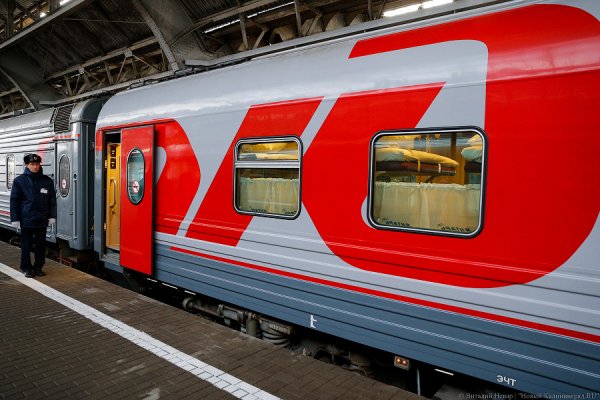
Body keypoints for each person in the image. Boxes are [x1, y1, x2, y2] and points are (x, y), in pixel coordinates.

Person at [10, 154, 57, 278]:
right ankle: (26, 268)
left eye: (37, 164)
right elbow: (14, 201)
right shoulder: (19, 181)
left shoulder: (47, 181)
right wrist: (15, 218)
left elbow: (52, 200)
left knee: (40, 246)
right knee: (26, 245)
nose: (35, 167)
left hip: (42, 219)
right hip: (26, 219)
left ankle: (38, 267)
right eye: (32, 164)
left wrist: (52, 216)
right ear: (26, 165)